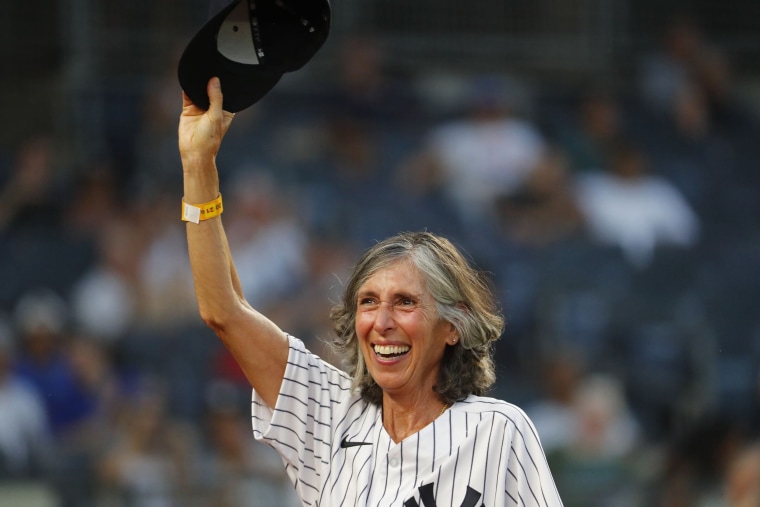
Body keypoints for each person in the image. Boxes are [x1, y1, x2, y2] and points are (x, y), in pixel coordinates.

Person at [178, 77, 563, 506]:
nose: (382, 323)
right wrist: (198, 168)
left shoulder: (498, 430)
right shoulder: (326, 413)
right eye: (368, 302)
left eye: (405, 302)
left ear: (453, 326)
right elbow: (224, 312)